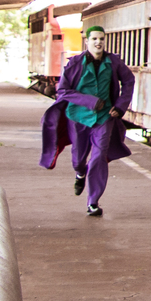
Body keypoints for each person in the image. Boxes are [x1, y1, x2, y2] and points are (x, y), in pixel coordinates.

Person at [39, 26, 135, 216]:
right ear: (87, 42)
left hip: (104, 117)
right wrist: (90, 101)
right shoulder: (74, 63)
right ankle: (80, 173)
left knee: (99, 157)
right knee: (78, 159)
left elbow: (129, 81)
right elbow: (63, 91)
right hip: (78, 117)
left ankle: (93, 202)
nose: (98, 43)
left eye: (101, 39)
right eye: (94, 39)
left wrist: (121, 106)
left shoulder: (114, 62)